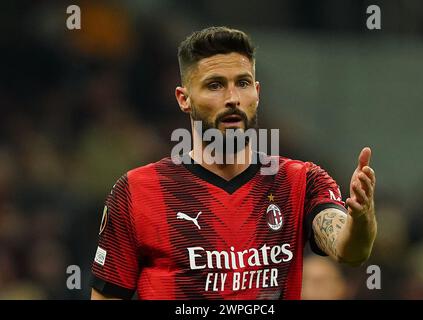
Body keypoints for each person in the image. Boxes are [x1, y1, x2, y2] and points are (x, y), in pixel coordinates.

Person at [90, 26, 377, 300]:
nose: (232, 98)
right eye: (215, 85)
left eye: (242, 83)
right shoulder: (136, 192)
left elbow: (349, 251)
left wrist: (362, 219)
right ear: (184, 99)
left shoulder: (301, 180)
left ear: (257, 92)